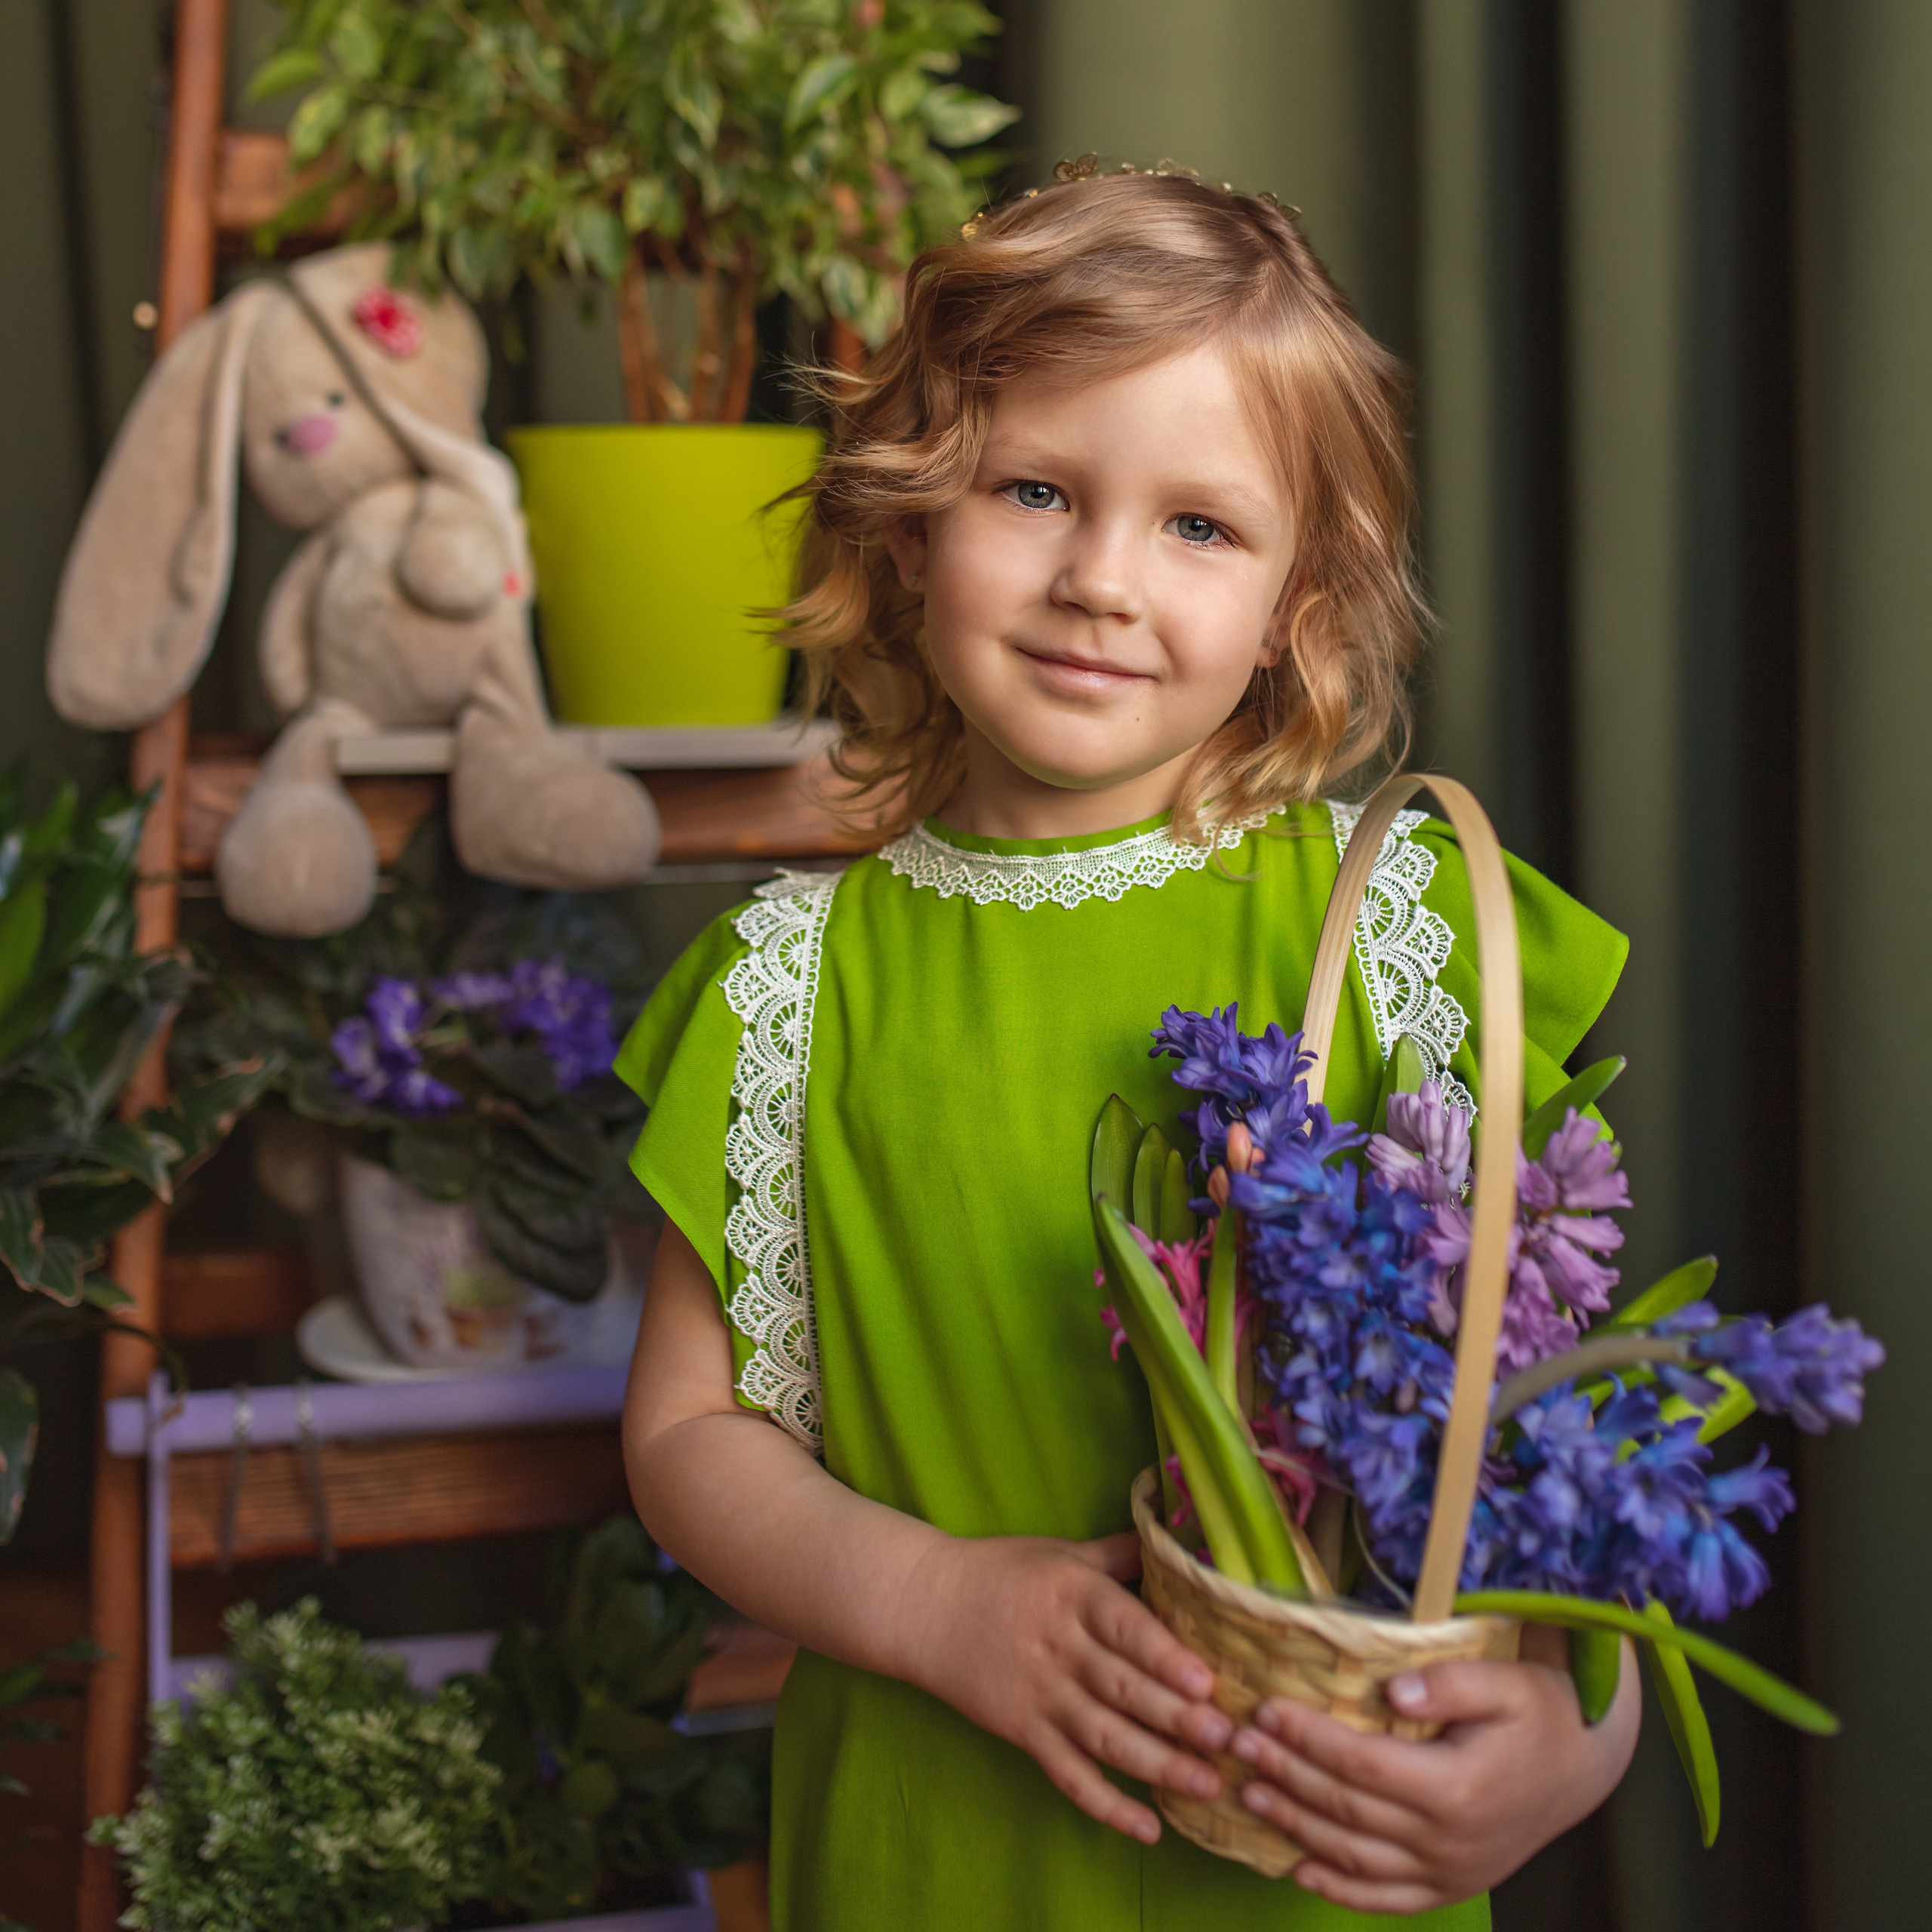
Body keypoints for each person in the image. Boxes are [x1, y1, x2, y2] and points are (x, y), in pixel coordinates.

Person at [618, 165, 1640, 1929]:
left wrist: (1561, 1744)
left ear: (1296, 598)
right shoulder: (792, 977)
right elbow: (687, 1436)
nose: (1100, 576)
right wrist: (939, 1602)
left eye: (1198, 526)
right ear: (904, 521)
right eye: (1032, 488)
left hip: (1312, 1867)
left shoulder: (1395, 930)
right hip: (932, 1846)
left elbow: (1575, 1430)